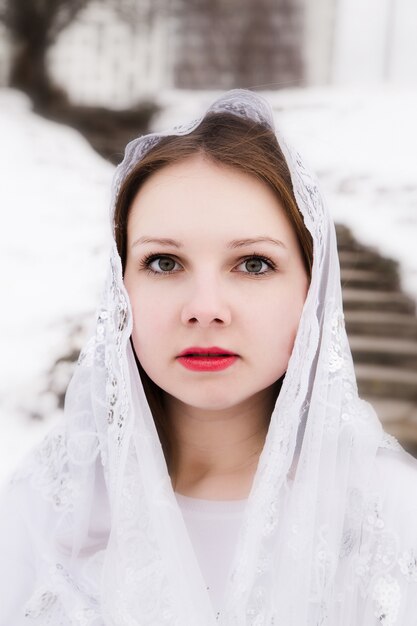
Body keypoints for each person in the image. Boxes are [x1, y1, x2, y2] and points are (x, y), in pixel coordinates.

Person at [0, 89, 416, 625]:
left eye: (253, 264)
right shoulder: (45, 513)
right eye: (165, 263)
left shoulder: (394, 516)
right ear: (119, 286)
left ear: (311, 292)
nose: (204, 309)